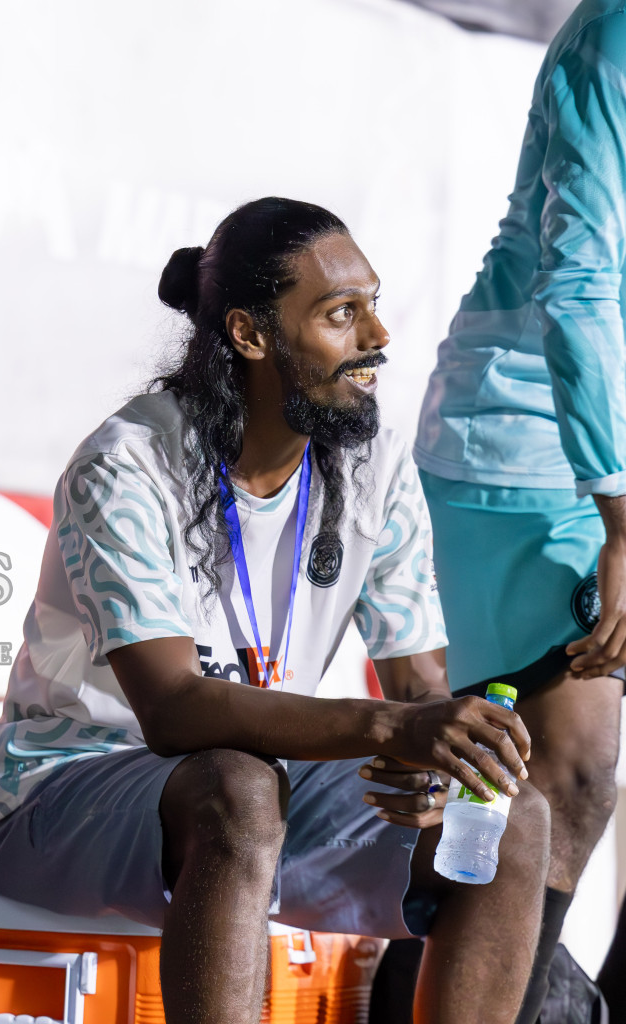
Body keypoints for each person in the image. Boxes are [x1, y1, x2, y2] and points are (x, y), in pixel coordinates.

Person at [0, 197, 551, 1024]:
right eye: (343, 314)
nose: (378, 336)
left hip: (265, 788)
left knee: (514, 821)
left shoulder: (373, 460)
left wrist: (441, 754)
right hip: (62, 791)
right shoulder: (127, 465)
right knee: (233, 787)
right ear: (249, 335)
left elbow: (416, 681)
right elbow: (172, 711)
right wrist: (391, 732)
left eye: (373, 305)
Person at [414, 3, 626, 1017]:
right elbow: (580, 288)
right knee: (551, 780)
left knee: (573, 784)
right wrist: (624, 523)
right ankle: (501, 997)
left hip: (605, 445)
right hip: (530, 435)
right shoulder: (613, 37)